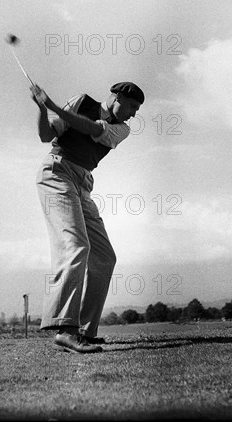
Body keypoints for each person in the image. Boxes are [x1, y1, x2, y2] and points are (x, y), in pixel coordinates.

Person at [30, 81, 145, 353]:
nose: (132, 114)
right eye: (130, 106)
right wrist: (42, 109)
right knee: (76, 247)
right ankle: (65, 330)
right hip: (56, 174)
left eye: (136, 109)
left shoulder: (122, 129)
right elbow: (46, 136)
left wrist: (53, 105)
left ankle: (84, 329)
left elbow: (94, 129)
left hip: (82, 184)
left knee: (105, 257)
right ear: (115, 97)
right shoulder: (82, 102)